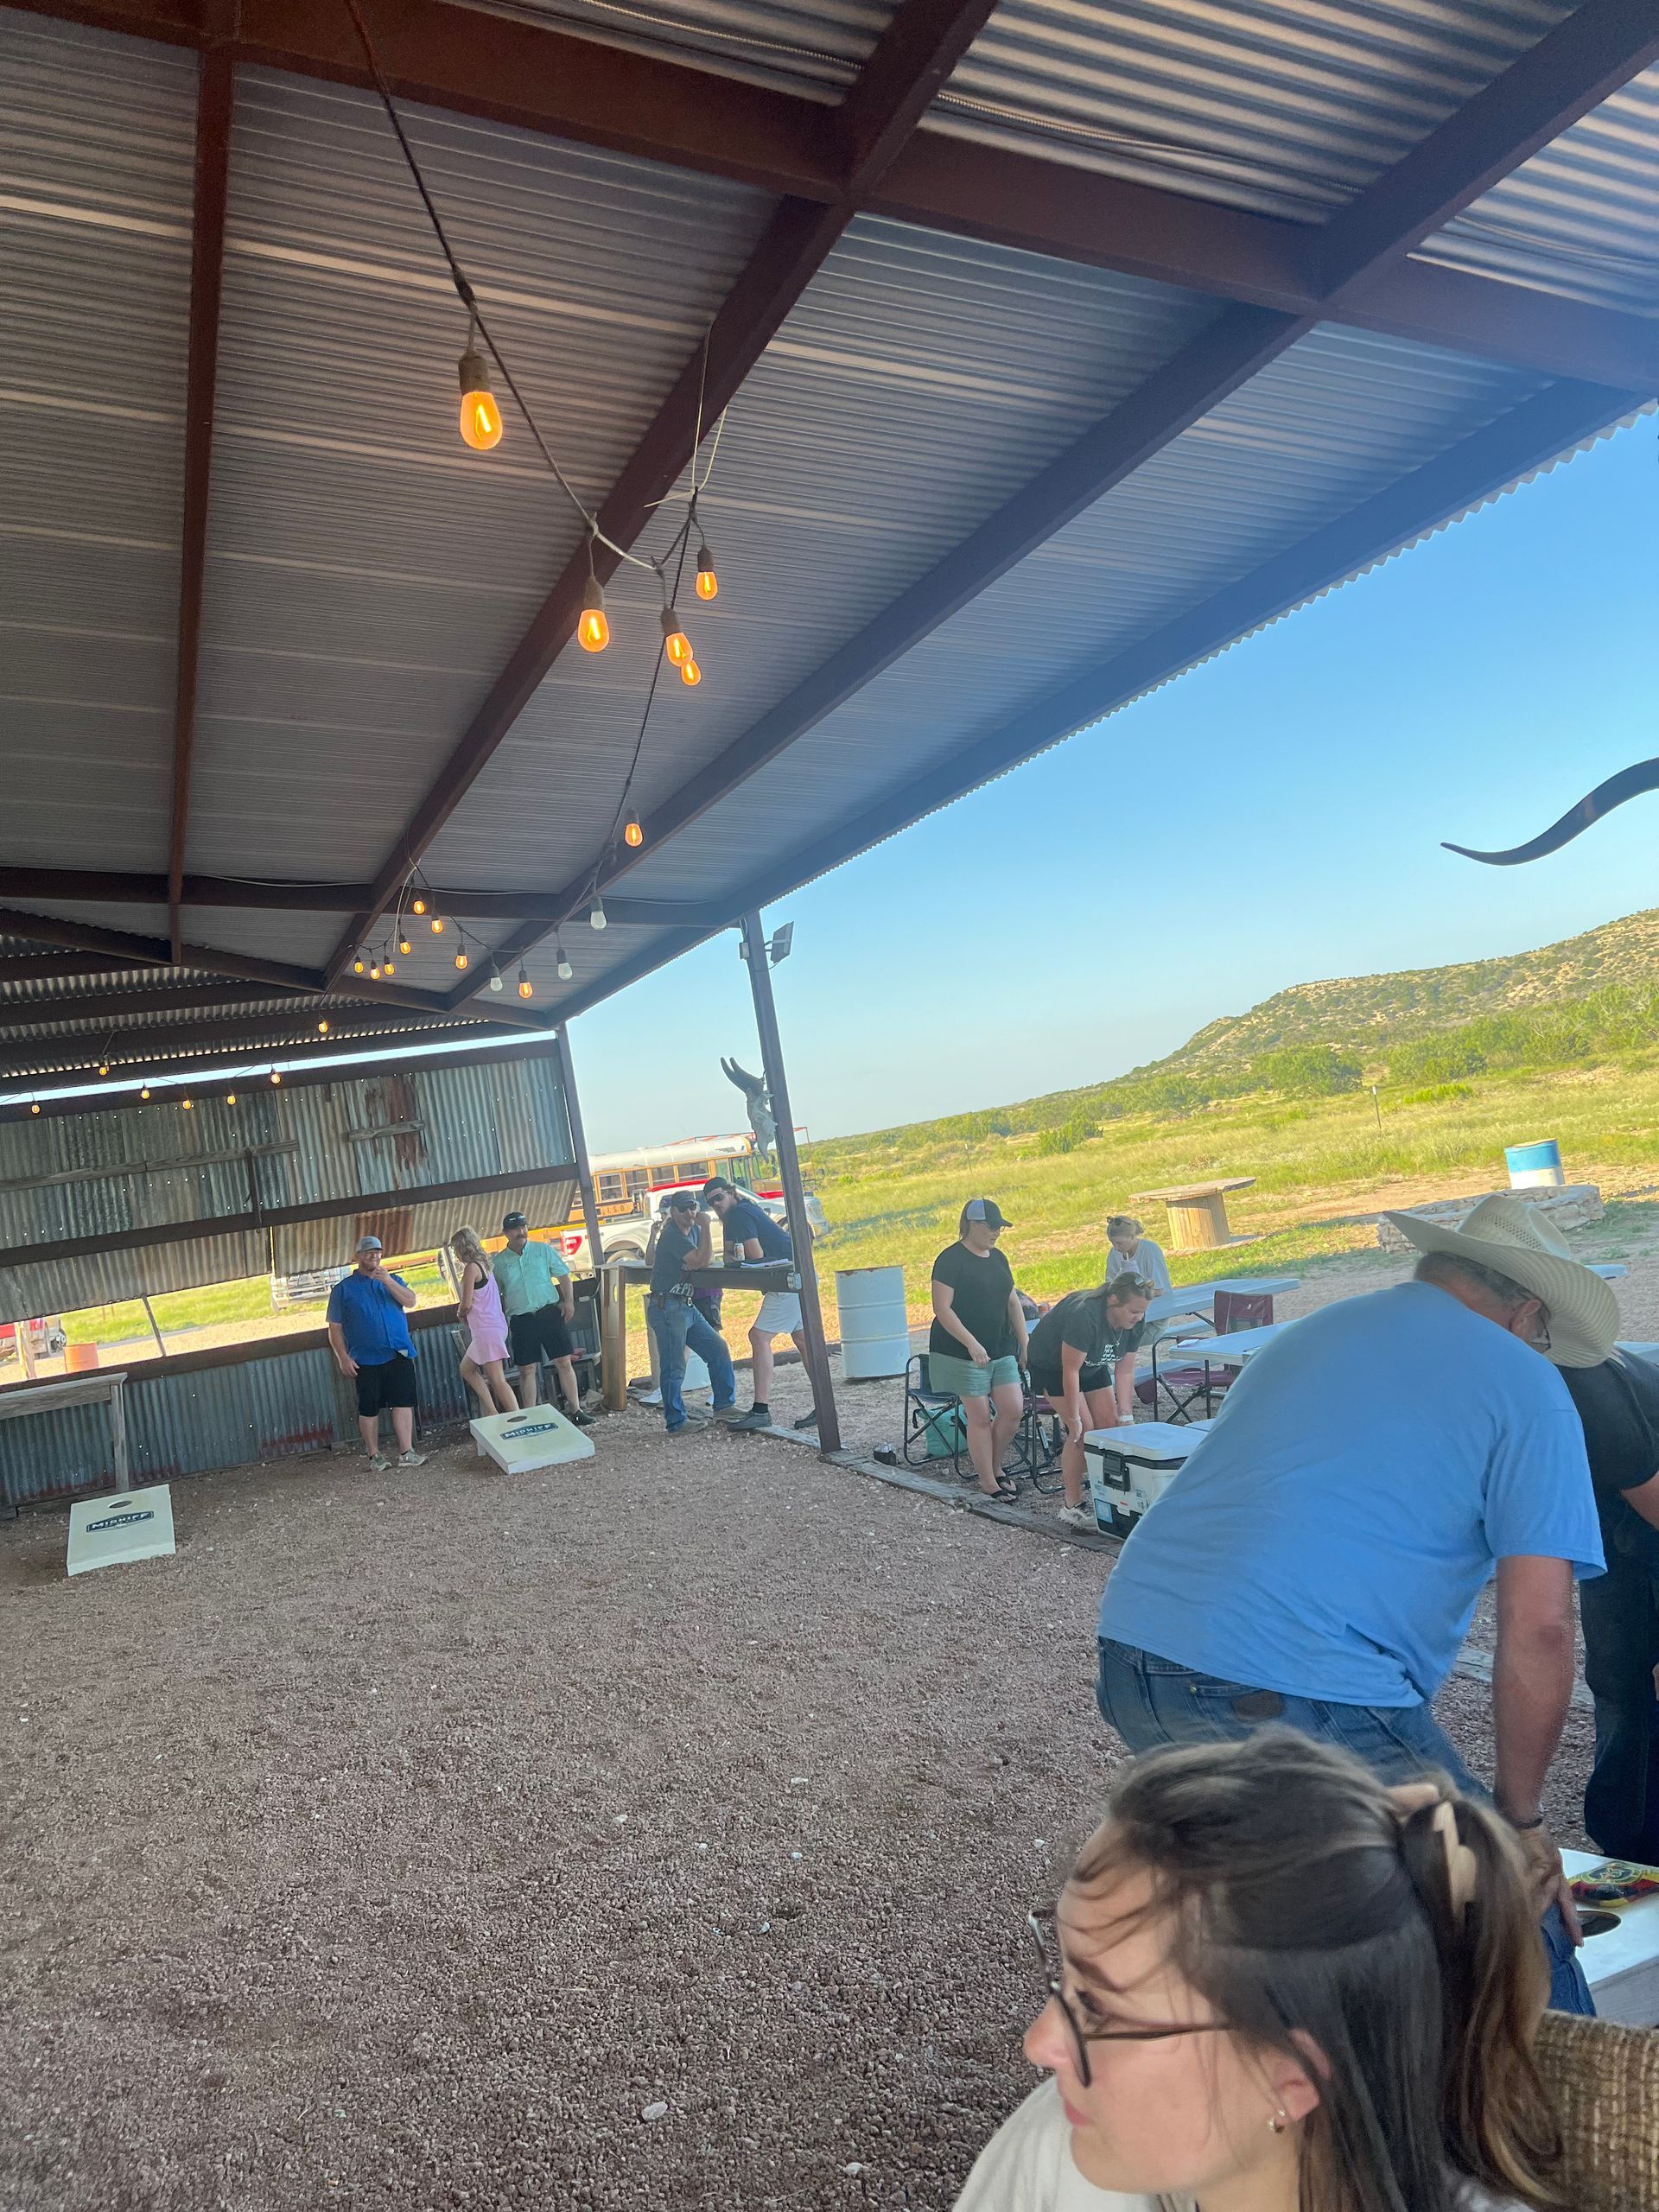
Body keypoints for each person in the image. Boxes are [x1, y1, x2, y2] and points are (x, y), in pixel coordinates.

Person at [1095, 1193, 1617, 2016]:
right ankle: (1565, 2137)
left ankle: (1323, 2117)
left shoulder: (1313, 1332)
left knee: (1305, 1929)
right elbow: (1541, 1625)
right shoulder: (1523, 1379)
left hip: (1133, 1655)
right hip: (1289, 1677)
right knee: (1503, 1907)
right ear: (1526, 1309)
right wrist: (1519, 1822)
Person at [954, 1731, 1560, 2212]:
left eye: (1100, 2008)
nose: (1038, 2045)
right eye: (1066, 1979)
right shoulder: (1059, 2148)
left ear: (1290, 2078)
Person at [1558, 1345, 1659, 1861]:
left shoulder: (1585, 1390)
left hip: (1644, 1507)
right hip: (1619, 1512)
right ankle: (1627, 1840)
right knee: (1620, 1674)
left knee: (1633, 1675)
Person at [1026, 1275, 1154, 1532]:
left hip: (1092, 1364)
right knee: (1083, 1432)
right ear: (1113, 1301)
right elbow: (1070, 1371)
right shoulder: (1085, 1316)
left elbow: (1125, 1370)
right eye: (1133, 1311)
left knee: (1110, 1428)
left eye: (1142, 1312)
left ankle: (1109, 1496)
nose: (1138, 1317)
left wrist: (1126, 1414)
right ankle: (1071, 1505)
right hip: (1053, 1366)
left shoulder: (1136, 1322)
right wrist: (1073, 1418)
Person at [929, 1200, 1029, 1502]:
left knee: (1013, 1410)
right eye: (992, 1226)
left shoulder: (998, 1257)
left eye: (1000, 1227)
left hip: (1000, 1346)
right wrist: (971, 1343)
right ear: (973, 1225)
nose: (997, 1232)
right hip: (961, 1351)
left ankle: (995, 1466)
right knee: (980, 1415)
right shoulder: (950, 1259)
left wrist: (1025, 1342)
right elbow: (942, 1309)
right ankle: (988, 1481)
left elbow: (1013, 1303)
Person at [701, 1175, 813, 1433]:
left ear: (731, 1193)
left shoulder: (739, 1214)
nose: (716, 1204)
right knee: (804, 1341)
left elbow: (753, 1255)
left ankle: (761, 1410)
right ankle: (823, 1404)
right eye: (711, 1202)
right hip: (794, 1273)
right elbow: (730, 1256)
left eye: (719, 1197)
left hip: (787, 1277)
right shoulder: (735, 1217)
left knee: (758, 1337)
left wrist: (735, 1255)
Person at [326, 1235, 429, 1472]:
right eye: (368, 1252)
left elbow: (410, 1301)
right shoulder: (343, 1290)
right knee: (369, 1407)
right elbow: (334, 1328)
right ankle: (374, 1455)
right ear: (358, 1256)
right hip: (365, 1358)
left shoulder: (393, 1280)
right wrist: (343, 1357)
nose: (373, 1256)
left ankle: (406, 1452)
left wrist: (389, 1282)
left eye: (377, 1252)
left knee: (403, 1402)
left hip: (398, 1351)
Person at [645, 1190, 737, 1435]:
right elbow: (701, 1260)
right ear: (673, 1212)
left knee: (717, 1348)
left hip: (684, 1303)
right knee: (674, 1365)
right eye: (684, 1208)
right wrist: (706, 1229)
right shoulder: (672, 1235)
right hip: (667, 1305)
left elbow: (704, 1258)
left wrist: (698, 1255)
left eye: (693, 1207)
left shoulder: (692, 1231)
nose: (690, 1213)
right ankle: (675, 1421)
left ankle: (724, 1405)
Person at [493, 1211, 591, 1426]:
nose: (521, 1231)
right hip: (521, 1318)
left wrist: (569, 1302)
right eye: (516, 1228)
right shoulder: (499, 1262)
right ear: (506, 1233)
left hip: (548, 1312)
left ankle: (576, 1410)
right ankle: (531, 1418)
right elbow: (496, 1294)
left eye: (523, 1226)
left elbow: (563, 1275)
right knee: (527, 1369)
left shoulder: (542, 1250)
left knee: (564, 1361)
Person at [448, 1226, 518, 1425]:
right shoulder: (484, 1264)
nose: (455, 1254)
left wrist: (460, 1313)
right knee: (467, 1369)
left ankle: (519, 1418)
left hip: (486, 1329)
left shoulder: (471, 1268)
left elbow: (467, 1302)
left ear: (462, 1248)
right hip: (491, 1326)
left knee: (497, 1379)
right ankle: (491, 1410)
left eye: (455, 1250)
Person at [1103, 1214, 1171, 1298]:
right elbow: (1109, 1285)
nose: (1116, 1247)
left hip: (1158, 1303)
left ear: (1132, 1236)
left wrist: (1129, 1293)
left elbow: (1159, 1290)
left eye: (1119, 1243)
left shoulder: (1150, 1251)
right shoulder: (1114, 1253)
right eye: (1112, 1242)